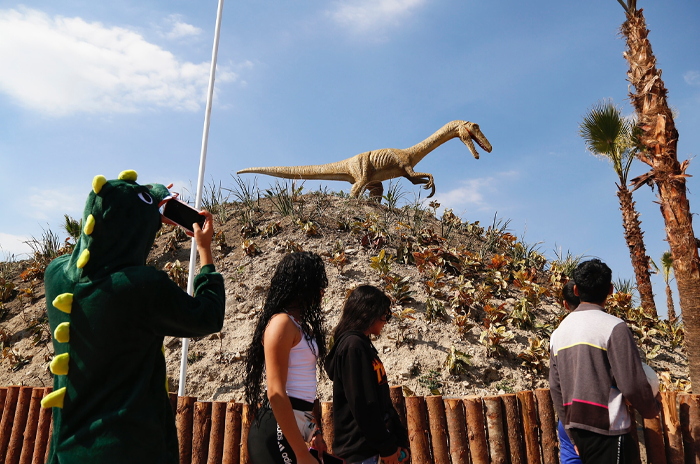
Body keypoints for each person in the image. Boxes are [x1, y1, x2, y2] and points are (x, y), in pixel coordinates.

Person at [43, 171, 226, 464]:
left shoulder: (56, 277)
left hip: (67, 453)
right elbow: (208, 316)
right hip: (133, 449)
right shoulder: (141, 287)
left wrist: (141, 207)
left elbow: (96, 233)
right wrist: (205, 252)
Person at [549, 259, 659, 464]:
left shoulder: (559, 333)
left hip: (578, 429)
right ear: (610, 290)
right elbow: (632, 384)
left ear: (576, 289)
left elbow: (556, 388)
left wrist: (571, 434)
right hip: (608, 431)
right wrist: (651, 408)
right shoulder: (614, 327)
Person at [244, 252, 329, 464]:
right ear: (302, 287)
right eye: (318, 287)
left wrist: (313, 431)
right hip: (277, 430)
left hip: (293, 427)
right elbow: (276, 393)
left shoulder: (298, 326)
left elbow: (300, 390)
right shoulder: (281, 323)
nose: (322, 293)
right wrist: (300, 452)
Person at [324, 285, 409, 464]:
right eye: (384, 315)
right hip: (361, 453)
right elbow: (363, 404)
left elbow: (382, 401)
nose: (386, 321)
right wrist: (386, 446)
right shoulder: (353, 346)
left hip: (372, 449)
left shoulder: (362, 345)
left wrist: (399, 440)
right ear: (368, 314)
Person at [557, 281, 582, 464]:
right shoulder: (607, 327)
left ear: (566, 304)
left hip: (568, 415)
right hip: (598, 414)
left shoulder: (558, 334)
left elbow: (554, 384)